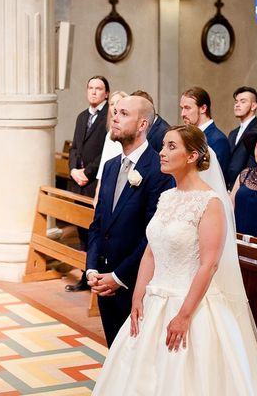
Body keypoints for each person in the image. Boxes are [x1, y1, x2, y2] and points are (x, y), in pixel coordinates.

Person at [92, 125, 257, 395]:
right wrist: (138, 295)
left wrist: (184, 315)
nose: (162, 153)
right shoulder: (167, 197)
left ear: (191, 156)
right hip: (155, 301)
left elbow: (209, 264)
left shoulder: (210, 203)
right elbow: (152, 250)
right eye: (163, 145)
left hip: (191, 304)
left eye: (171, 147)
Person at [86, 95, 173, 346]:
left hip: (135, 283)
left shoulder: (159, 170)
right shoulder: (112, 166)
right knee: (114, 352)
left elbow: (153, 235)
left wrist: (118, 276)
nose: (114, 117)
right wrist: (93, 268)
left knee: (136, 359)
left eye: (124, 113)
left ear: (143, 124)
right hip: (104, 281)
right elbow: (98, 223)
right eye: (115, 112)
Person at [66, 75, 110, 292]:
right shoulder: (82, 116)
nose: (93, 92)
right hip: (78, 180)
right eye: (90, 87)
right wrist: (73, 170)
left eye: (99, 88)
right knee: (81, 231)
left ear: (106, 93)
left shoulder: (108, 117)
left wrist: (87, 172)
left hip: (93, 181)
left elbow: (105, 152)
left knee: (92, 230)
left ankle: (91, 273)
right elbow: (74, 147)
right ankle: (84, 273)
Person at [180, 86, 230, 172]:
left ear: (203, 108)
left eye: (187, 108)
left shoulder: (218, 140)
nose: (182, 114)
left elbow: (217, 177)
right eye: (182, 108)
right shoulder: (186, 135)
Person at [226, 86, 257, 190]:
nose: (237, 105)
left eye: (243, 102)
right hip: (228, 188)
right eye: (236, 102)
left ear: (253, 106)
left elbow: (256, 165)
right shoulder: (233, 133)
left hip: (248, 188)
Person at [94, 90, 128, 206]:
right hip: (108, 182)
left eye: (118, 102)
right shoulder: (110, 134)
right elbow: (103, 163)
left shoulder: (129, 133)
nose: (114, 107)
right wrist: (97, 192)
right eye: (112, 104)